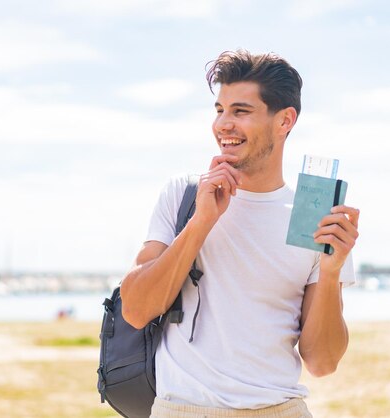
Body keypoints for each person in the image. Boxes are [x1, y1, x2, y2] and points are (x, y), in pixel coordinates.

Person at [120, 49, 360, 418]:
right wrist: (201, 223)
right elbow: (135, 310)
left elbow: (322, 361)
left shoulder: (313, 216)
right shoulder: (183, 194)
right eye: (220, 110)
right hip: (182, 409)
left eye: (241, 111)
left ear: (284, 121)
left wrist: (331, 274)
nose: (223, 125)